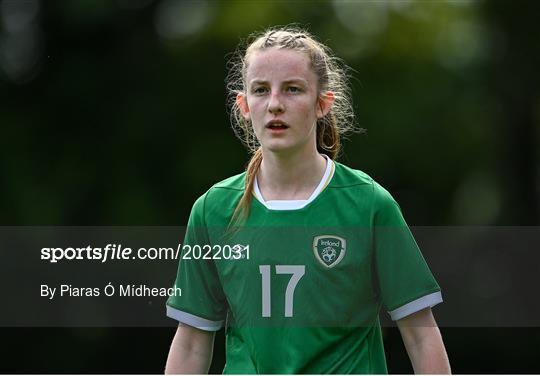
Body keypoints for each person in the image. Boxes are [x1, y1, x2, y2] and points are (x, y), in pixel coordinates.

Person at [164, 26, 451, 374]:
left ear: (322, 104)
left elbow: (421, 335)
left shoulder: (369, 204)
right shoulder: (213, 210)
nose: (274, 104)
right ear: (243, 105)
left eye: (293, 89)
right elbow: (192, 340)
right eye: (260, 90)